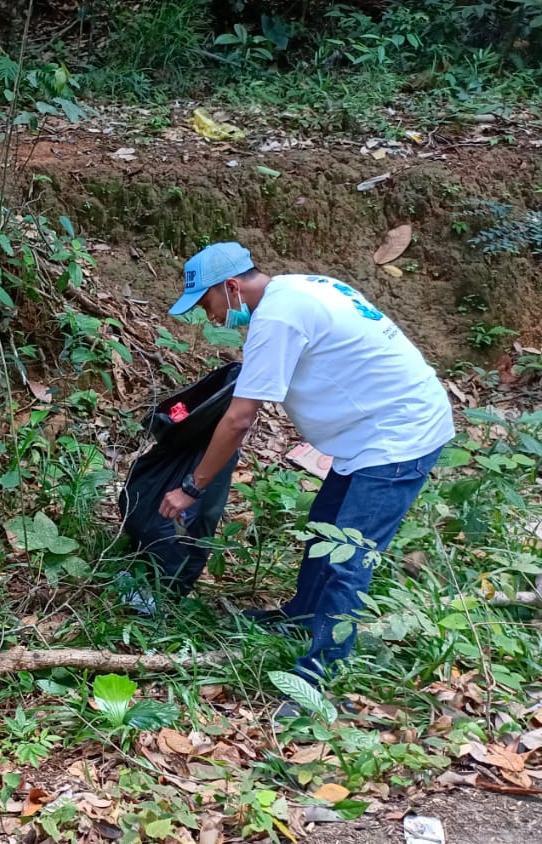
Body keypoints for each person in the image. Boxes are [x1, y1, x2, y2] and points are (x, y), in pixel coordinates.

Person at [157, 242, 454, 689]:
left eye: (208, 304)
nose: (210, 317)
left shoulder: (277, 318)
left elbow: (239, 419)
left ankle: (319, 675)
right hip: (372, 433)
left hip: (398, 438)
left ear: (232, 287)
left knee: (348, 557)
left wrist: (191, 488)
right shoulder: (299, 288)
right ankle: (302, 618)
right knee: (324, 528)